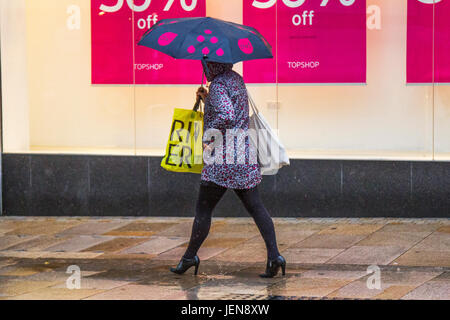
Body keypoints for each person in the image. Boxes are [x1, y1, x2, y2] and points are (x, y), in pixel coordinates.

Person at [170, 61, 286, 278]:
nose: (204, 68)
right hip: (243, 154)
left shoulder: (218, 85)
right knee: (256, 207)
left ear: (212, 64)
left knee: (204, 210)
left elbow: (226, 115)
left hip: (223, 159)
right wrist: (207, 99)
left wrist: (209, 139)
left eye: (205, 63)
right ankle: (275, 257)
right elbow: (230, 110)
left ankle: (189, 257)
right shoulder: (236, 79)